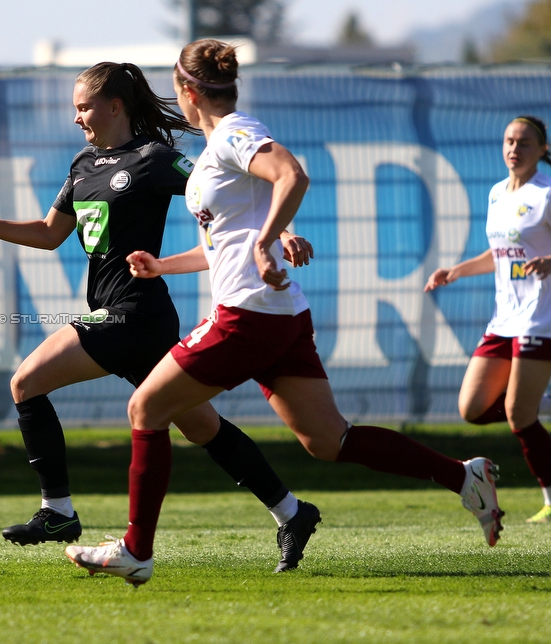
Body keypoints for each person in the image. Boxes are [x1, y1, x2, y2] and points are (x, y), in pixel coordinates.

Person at [64, 39, 505, 587]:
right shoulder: (211, 153)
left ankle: (136, 550)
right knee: (328, 440)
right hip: (279, 315)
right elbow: (224, 242)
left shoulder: (233, 133)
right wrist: (162, 266)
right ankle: (464, 478)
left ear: (187, 91)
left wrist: (269, 240)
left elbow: (292, 175)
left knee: (145, 408)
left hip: (246, 315)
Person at [0, 61, 321, 572]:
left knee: (25, 382)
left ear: (115, 106)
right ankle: (291, 511)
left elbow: (235, 189)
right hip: (128, 318)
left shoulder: (155, 159)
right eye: (74, 108)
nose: (77, 118)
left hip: (133, 314)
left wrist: (282, 231)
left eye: (84, 107)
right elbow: (49, 234)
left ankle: (58, 512)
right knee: (203, 428)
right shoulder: (83, 165)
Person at [424, 115, 551, 525]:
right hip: (504, 318)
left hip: (540, 316)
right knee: (474, 408)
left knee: (518, 414)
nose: (515, 148)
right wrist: (457, 269)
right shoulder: (498, 193)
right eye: (510, 141)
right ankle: (531, 402)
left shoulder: (547, 192)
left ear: (543, 149)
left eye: (525, 142)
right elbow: (499, 254)